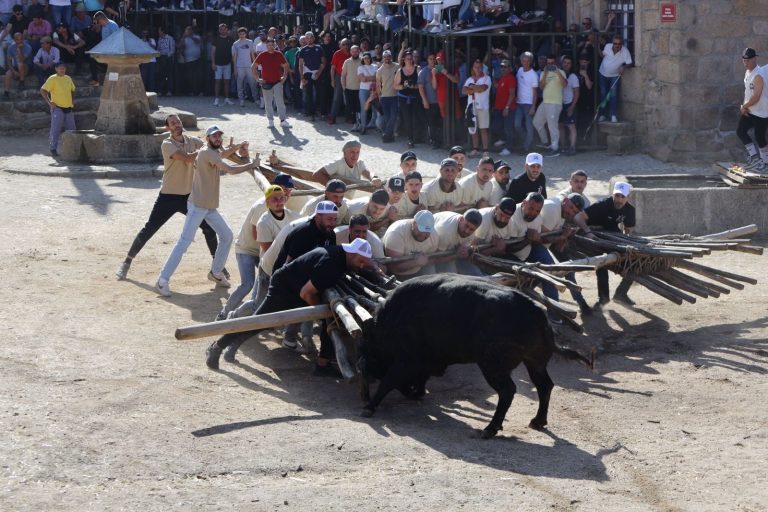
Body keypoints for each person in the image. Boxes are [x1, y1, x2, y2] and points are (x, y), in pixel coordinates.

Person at [206, 237, 373, 377]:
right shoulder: (332, 264)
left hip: (294, 285)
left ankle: (323, 366)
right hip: (285, 288)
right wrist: (322, 315)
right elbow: (306, 293)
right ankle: (217, 346)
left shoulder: (340, 254)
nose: (362, 265)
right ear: (352, 253)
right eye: (361, 261)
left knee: (329, 322)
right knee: (258, 322)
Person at [116, 115, 227, 280]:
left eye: (178, 122)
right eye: (173, 123)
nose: (176, 125)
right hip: (168, 197)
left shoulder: (192, 140)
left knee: (209, 229)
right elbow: (189, 158)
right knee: (150, 229)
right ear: (168, 128)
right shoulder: (167, 144)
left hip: (190, 198)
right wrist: (206, 150)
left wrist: (218, 147)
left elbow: (214, 150)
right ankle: (126, 262)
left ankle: (218, 268)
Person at [155, 126, 259, 297]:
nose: (218, 138)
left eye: (220, 136)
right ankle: (162, 280)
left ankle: (216, 273)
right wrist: (251, 165)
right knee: (184, 243)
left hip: (209, 207)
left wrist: (236, 147)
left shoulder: (210, 152)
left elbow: (221, 155)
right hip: (198, 207)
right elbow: (231, 170)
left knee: (227, 236)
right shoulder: (207, 152)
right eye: (215, 136)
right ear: (207, 138)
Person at [218, 184, 299, 320]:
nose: (279, 202)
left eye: (281, 198)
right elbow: (267, 248)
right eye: (275, 199)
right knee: (248, 285)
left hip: (272, 259)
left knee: (263, 297)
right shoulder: (263, 219)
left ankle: (262, 320)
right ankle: (226, 314)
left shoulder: (293, 216)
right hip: (249, 251)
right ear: (267, 202)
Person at [583, 181, 636, 306]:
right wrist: (587, 232)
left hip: (613, 234)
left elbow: (628, 229)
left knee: (634, 261)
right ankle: (603, 297)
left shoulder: (630, 210)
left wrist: (626, 242)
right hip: (596, 234)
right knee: (602, 263)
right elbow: (579, 217)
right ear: (613, 195)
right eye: (617, 196)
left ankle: (621, 293)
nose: (619, 199)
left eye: (622, 197)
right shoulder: (602, 205)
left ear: (628, 198)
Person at [539, 192, 591, 314]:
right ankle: (555, 311)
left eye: (575, 211)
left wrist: (563, 238)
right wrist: (562, 237)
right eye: (571, 207)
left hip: (548, 241)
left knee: (568, 268)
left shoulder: (563, 211)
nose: (571, 212)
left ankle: (580, 301)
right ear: (565, 201)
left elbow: (557, 246)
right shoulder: (552, 208)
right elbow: (542, 240)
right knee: (550, 273)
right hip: (534, 244)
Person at [383, 210, 439, 279]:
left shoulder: (434, 236)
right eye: (421, 230)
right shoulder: (396, 233)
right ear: (414, 223)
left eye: (427, 231)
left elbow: (433, 258)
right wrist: (415, 262)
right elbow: (393, 267)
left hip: (419, 270)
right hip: (395, 275)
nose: (424, 235)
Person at [738, 47, 768, 171]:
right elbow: (748, 93)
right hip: (750, 110)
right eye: (744, 60)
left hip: (761, 112)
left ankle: (765, 163)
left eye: (749, 60)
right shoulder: (748, 72)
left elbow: (756, 96)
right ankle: (755, 158)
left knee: (759, 137)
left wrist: (744, 106)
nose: (746, 63)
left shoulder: (758, 75)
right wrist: (744, 105)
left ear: (755, 58)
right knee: (740, 131)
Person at [532, 55, 567, 157]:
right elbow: (541, 87)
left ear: (556, 63)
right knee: (536, 122)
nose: (550, 65)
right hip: (545, 102)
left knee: (552, 126)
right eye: (548, 63)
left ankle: (555, 149)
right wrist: (546, 73)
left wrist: (557, 72)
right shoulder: (543, 73)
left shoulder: (561, 72)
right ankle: (546, 143)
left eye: (552, 63)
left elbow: (564, 84)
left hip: (555, 103)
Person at [254, 37, 291, 128]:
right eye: (269, 45)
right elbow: (253, 66)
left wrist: (284, 76)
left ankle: (282, 120)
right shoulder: (262, 55)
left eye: (272, 45)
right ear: (266, 46)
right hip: (266, 82)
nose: (270, 47)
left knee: (280, 102)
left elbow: (286, 65)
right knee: (268, 102)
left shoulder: (279, 54)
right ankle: (270, 120)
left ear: (275, 45)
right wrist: (257, 79)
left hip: (277, 81)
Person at [432, 209, 483, 275]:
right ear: (461, 219)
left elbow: (464, 249)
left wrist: (465, 251)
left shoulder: (471, 234)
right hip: (429, 249)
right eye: (466, 226)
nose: (467, 231)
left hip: (448, 250)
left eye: (471, 229)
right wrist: (457, 255)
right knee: (450, 277)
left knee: (475, 273)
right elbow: (436, 258)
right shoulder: (445, 231)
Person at [39, 60, 74, 157]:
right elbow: (43, 90)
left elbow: (72, 90)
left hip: (68, 108)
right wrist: (49, 102)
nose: (62, 69)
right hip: (57, 108)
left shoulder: (68, 78)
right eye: (60, 68)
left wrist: (72, 102)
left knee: (72, 130)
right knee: (55, 129)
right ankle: (53, 148)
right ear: (56, 69)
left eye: (63, 67)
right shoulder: (52, 79)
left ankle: (72, 149)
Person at [598, 35, 632, 123]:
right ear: (612, 43)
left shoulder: (625, 51)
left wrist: (623, 66)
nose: (617, 45)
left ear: (622, 44)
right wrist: (596, 46)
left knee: (613, 95)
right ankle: (601, 114)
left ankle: (613, 115)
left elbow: (629, 63)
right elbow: (603, 55)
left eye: (619, 44)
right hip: (602, 73)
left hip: (614, 76)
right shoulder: (608, 46)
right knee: (603, 94)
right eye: (615, 43)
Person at [462, 58, 492, 156]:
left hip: (483, 107)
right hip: (471, 107)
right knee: (473, 129)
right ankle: (475, 149)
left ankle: (485, 150)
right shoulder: (469, 79)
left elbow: (482, 88)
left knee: (483, 129)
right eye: (476, 67)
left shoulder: (487, 78)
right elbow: (464, 91)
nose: (478, 69)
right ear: (473, 68)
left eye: (479, 67)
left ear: (482, 68)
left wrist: (472, 88)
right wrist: (475, 89)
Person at [394, 50, 420, 148]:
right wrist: (404, 86)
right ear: (404, 59)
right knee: (407, 119)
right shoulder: (400, 71)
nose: (410, 60)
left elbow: (421, 85)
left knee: (415, 118)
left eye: (411, 58)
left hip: (415, 97)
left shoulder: (417, 69)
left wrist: (413, 86)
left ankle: (417, 137)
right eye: (408, 58)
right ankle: (410, 139)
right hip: (404, 98)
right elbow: (395, 86)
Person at [514, 51, 539, 154]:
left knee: (529, 126)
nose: (525, 62)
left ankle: (526, 147)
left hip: (528, 103)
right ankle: (527, 142)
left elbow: (535, 93)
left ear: (530, 62)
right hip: (519, 103)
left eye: (527, 61)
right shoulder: (519, 70)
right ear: (521, 61)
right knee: (517, 125)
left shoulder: (533, 75)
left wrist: (533, 107)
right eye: (523, 60)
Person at [298, 31, 325, 120]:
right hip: (307, 73)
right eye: (307, 38)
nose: (309, 40)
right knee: (309, 94)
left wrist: (319, 72)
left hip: (318, 72)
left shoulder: (319, 48)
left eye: (311, 37)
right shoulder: (303, 50)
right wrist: (302, 78)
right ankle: (311, 114)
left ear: (313, 38)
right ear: (305, 39)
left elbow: (323, 62)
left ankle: (320, 112)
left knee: (320, 93)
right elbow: (300, 65)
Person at [492, 58, 516, 157]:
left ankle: (509, 148)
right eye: (501, 66)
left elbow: (512, 94)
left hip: (508, 109)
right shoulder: (502, 78)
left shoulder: (511, 78)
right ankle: (504, 140)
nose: (503, 68)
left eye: (505, 67)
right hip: (499, 108)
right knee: (495, 126)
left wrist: (506, 107)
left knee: (508, 129)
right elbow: (499, 89)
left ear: (510, 68)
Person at [376, 49, 399, 143]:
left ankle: (386, 134)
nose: (386, 58)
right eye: (385, 57)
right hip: (384, 97)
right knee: (387, 118)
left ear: (391, 57)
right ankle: (389, 136)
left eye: (388, 56)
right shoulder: (379, 70)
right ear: (383, 58)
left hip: (394, 96)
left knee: (393, 117)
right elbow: (378, 85)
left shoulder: (396, 66)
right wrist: (379, 96)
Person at [559, 55, 580, 156]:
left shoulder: (573, 77)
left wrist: (572, 106)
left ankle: (572, 147)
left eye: (569, 63)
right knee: (560, 126)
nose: (566, 65)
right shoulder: (558, 74)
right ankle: (563, 147)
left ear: (571, 65)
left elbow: (577, 93)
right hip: (559, 104)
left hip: (569, 104)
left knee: (572, 127)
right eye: (565, 63)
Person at [231, 27, 255, 108]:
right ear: (238, 34)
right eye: (240, 34)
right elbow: (234, 57)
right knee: (239, 83)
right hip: (239, 66)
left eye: (243, 34)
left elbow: (252, 54)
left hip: (249, 66)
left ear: (246, 34)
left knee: (252, 83)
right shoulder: (235, 44)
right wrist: (235, 69)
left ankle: (256, 98)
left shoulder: (250, 42)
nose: (241, 35)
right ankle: (241, 99)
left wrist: (254, 65)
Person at [211, 23, 233, 107]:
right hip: (218, 64)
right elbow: (213, 52)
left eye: (224, 29)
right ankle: (216, 99)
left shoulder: (231, 39)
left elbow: (233, 52)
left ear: (227, 30)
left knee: (227, 82)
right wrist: (213, 63)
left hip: (228, 64)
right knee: (218, 81)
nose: (222, 30)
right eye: (221, 29)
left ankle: (227, 98)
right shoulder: (216, 39)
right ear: (219, 30)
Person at [328, 37, 349, 124]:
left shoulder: (352, 53)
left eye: (347, 44)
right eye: (343, 44)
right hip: (339, 76)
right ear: (340, 45)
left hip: (349, 77)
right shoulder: (337, 53)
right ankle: (333, 117)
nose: (345, 46)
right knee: (337, 97)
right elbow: (332, 68)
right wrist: (332, 80)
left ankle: (349, 116)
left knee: (348, 97)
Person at [3, 32, 31, 98]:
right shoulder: (11, 47)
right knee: (8, 73)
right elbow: (8, 61)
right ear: (14, 40)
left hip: (26, 67)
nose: (20, 41)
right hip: (16, 68)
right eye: (17, 39)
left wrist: (18, 49)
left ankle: (22, 82)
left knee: (20, 63)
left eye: (21, 39)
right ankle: (6, 93)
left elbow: (22, 60)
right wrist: (13, 71)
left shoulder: (28, 47)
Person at [357, 51, 377, 134]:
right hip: (363, 89)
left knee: (375, 108)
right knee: (364, 108)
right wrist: (372, 78)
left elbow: (377, 77)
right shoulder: (360, 67)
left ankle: (376, 126)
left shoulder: (375, 66)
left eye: (368, 58)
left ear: (370, 59)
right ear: (363, 59)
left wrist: (367, 78)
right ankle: (363, 127)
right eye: (365, 58)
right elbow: (362, 79)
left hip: (373, 90)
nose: (367, 59)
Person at [156, 26, 175, 97]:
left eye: (159, 30)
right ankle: (160, 91)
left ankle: (169, 91)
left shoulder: (170, 38)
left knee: (169, 75)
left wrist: (167, 56)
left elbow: (172, 49)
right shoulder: (159, 39)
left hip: (168, 58)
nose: (158, 32)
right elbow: (158, 48)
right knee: (161, 75)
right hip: (161, 58)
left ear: (162, 31)